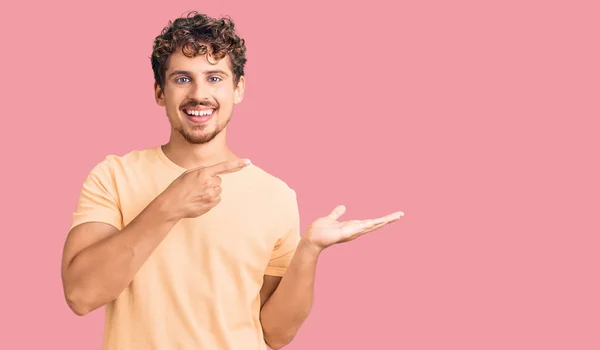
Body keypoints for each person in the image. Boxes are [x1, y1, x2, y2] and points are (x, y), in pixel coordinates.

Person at [60, 11, 403, 350]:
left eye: (214, 78)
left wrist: (309, 251)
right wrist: (167, 207)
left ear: (238, 89)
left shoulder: (275, 196)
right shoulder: (114, 176)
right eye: (182, 79)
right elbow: (81, 295)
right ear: (159, 92)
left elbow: (275, 334)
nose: (198, 94)